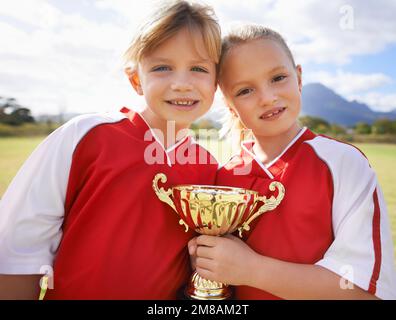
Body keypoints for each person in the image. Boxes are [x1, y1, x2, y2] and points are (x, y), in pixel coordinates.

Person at [0, 0, 221, 299]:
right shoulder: (86, 137)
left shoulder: (210, 168)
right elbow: (17, 251)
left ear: (216, 81)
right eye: (162, 67)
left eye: (198, 68)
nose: (181, 83)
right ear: (135, 80)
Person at [188, 24, 396, 299]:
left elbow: (365, 292)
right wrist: (206, 265)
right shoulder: (223, 178)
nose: (268, 97)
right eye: (245, 91)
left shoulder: (342, 163)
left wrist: (252, 270)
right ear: (229, 105)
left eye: (278, 77)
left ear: (298, 78)